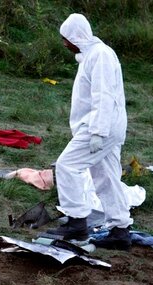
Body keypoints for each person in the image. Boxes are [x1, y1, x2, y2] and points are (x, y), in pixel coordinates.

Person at [46, 14, 132, 250]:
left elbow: (104, 95)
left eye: (66, 39)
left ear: (76, 37)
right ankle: (120, 232)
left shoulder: (100, 55)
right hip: (104, 127)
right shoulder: (92, 56)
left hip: (100, 127)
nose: (64, 44)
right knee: (107, 178)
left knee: (67, 165)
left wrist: (97, 132)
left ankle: (76, 223)